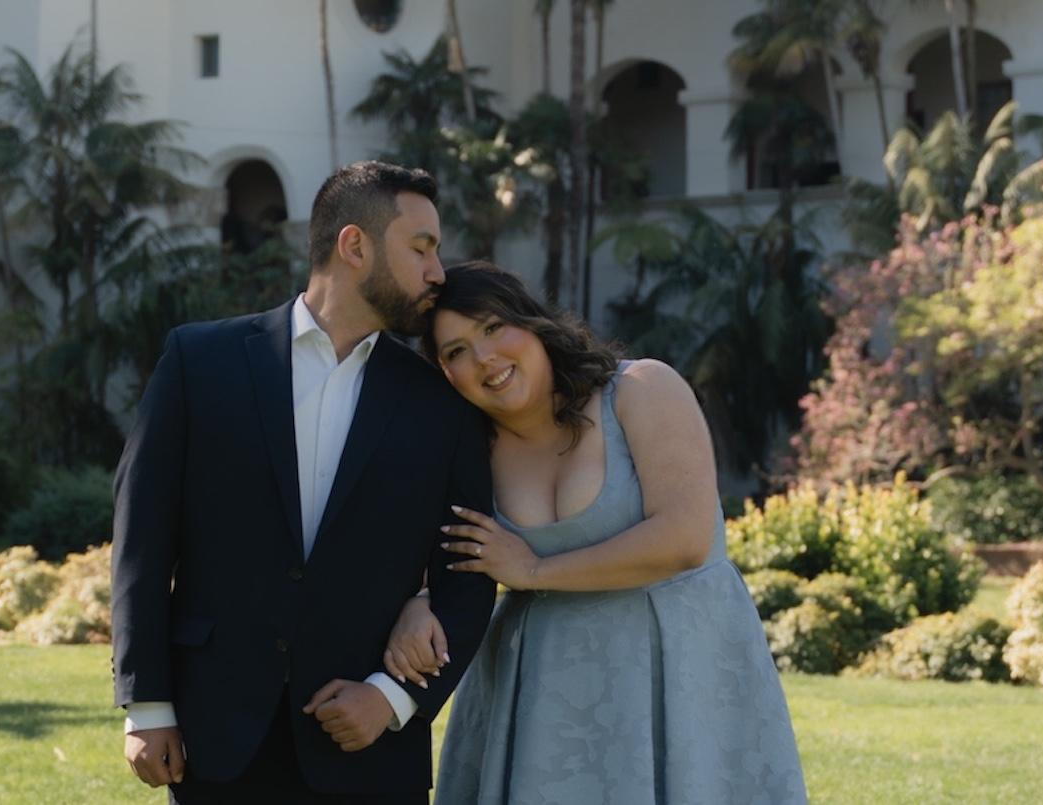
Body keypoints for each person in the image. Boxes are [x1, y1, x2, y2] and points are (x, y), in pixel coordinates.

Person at [111, 161, 497, 804]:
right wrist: (147, 705)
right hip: (216, 741)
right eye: (422, 248)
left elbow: (468, 572)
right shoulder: (198, 363)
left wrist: (392, 698)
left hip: (369, 750)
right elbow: (141, 542)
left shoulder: (443, 404)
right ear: (354, 245)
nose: (438, 272)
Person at [384, 261, 808, 804]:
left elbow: (683, 538)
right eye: (456, 351)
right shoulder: (466, 451)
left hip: (678, 673)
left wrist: (533, 570)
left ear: (532, 322)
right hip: (543, 694)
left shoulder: (640, 390)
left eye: (492, 327)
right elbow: (435, 550)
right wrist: (419, 601)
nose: (484, 357)